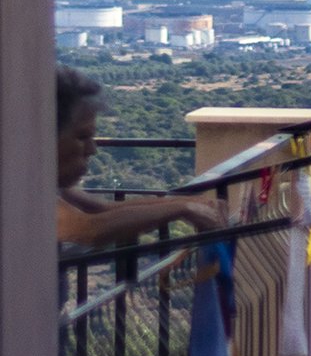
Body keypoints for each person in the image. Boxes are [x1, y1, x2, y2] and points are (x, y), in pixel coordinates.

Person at [57, 65, 224, 247]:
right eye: (82, 137)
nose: (92, 150)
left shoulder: (51, 185)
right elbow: (88, 229)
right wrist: (182, 208)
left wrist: (193, 202)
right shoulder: (28, 188)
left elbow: (99, 209)